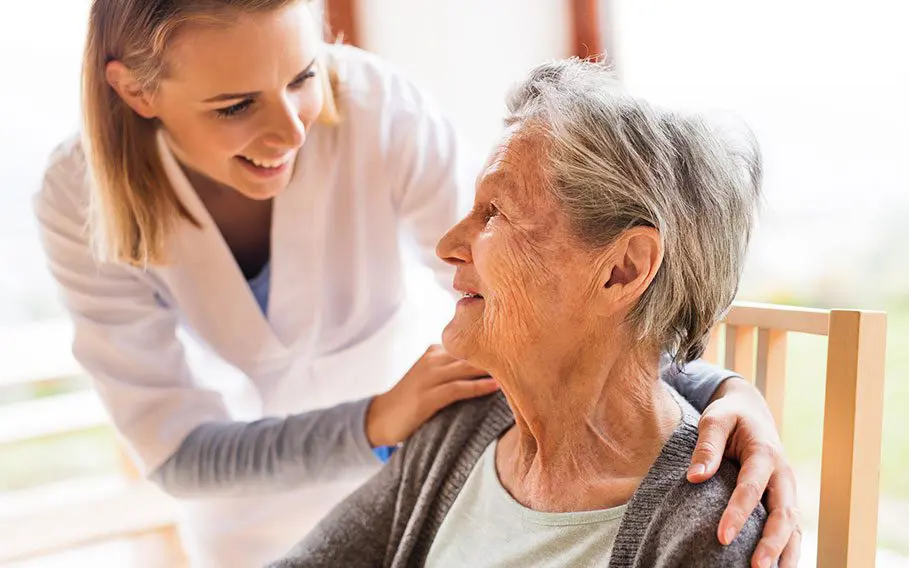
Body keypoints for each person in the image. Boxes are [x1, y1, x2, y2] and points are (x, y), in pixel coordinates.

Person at [34, 1, 799, 566]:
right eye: (234, 106)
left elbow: (564, 295)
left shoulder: (376, 110)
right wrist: (380, 424)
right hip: (275, 509)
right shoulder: (77, 199)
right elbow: (180, 452)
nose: (293, 130)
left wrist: (720, 387)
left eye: (305, 76)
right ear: (137, 93)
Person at [272, 59, 772, 568]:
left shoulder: (710, 530)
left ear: (622, 270)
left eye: (495, 214)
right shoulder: (460, 426)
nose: (447, 246)